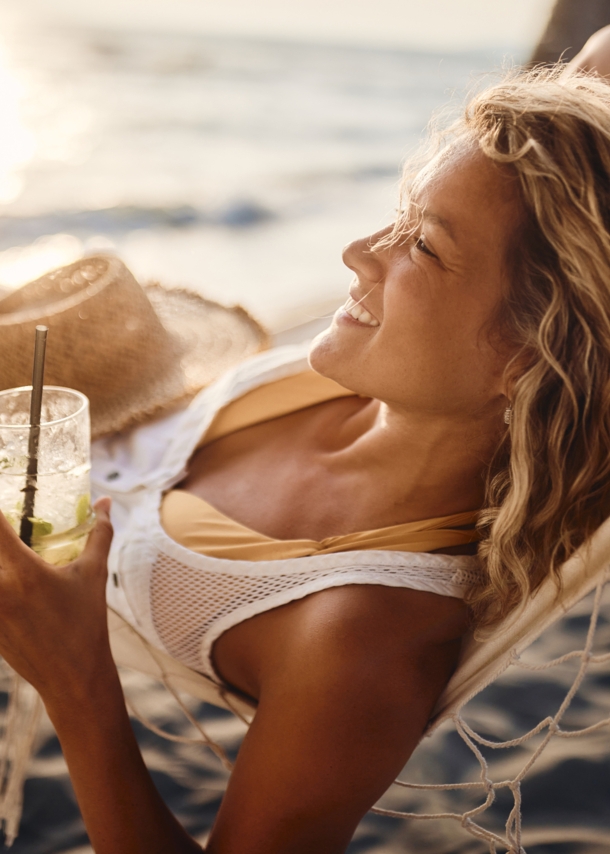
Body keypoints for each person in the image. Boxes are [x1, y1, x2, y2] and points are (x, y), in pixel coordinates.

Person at [2, 32, 610, 854]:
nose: (358, 253)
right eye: (400, 217)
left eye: (424, 245)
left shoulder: (362, 639)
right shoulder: (388, 374)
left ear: (530, 351)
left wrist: (78, 683)